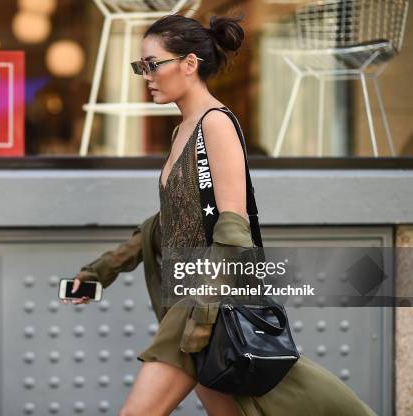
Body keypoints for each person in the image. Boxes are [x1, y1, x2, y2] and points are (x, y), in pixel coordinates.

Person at [64, 12, 378, 416]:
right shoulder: (184, 129)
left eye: (152, 64)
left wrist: (204, 314)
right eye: (141, 66)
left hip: (205, 304)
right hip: (192, 305)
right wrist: (100, 271)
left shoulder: (216, 124)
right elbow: (166, 224)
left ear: (189, 64)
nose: (146, 75)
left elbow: (233, 225)